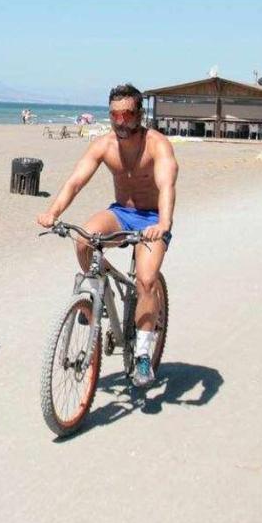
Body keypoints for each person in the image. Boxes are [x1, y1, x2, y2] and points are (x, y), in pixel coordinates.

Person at [37, 83, 178, 388]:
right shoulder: (104, 145)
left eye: (127, 114)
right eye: (115, 114)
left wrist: (164, 223)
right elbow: (75, 181)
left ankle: (142, 354)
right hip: (121, 212)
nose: (120, 121)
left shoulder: (157, 145)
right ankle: (98, 293)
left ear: (140, 114)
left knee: (146, 280)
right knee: (84, 238)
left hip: (153, 217)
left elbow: (167, 186)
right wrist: (53, 213)